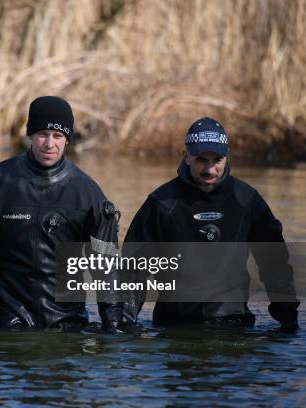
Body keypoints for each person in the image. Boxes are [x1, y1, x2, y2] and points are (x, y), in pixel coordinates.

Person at [0, 96, 123, 331]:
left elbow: (106, 265)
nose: (49, 143)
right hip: (6, 323)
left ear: (67, 140)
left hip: (67, 326)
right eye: (43, 133)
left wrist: (112, 321)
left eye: (58, 136)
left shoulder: (87, 193)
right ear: (30, 134)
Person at [123, 117, 300, 332]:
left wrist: (289, 320)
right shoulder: (161, 203)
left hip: (233, 326)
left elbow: (275, 264)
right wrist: (122, 323)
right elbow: (133, 272)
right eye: (201, 160)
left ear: (226, 157)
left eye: (216, 160)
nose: (210, 170)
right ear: (185, 157)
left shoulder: (247, 201)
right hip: (175, 328)